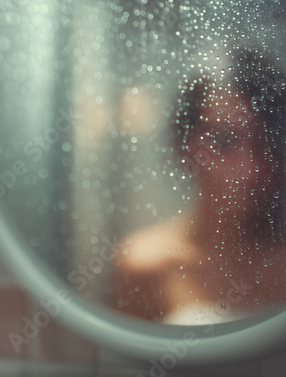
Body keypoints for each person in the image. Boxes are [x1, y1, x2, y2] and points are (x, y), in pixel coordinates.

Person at [113, 46, 286, 324]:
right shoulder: (145, 264)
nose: (251, 168)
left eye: (264, 142)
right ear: (186, 146)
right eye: (224, 141)